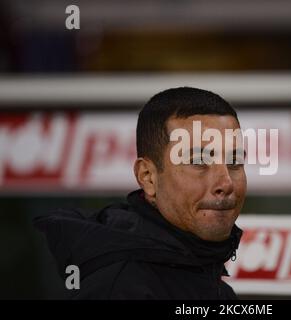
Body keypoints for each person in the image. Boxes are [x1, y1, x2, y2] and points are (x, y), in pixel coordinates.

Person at [34, 87, 247, 299]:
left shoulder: (215, 286)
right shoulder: (117, 288)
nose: (226, 182)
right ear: (148, 177)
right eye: (199, 162)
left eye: (235, 162)